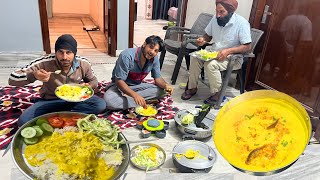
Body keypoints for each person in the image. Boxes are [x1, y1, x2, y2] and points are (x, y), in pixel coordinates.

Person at [8, 34, 106, 126]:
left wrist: (90, 86)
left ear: (75, 53)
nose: (64, 57)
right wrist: (34, 75)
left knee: (100, 104)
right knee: (23, 121)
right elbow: (12, 78)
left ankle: (58, 116)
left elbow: (94, 81)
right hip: (50, 100)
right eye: (60, 52)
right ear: (56, 52)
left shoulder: (83, 63)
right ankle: (68, 115)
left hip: (76, 101)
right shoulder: (45, 62)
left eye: (68, 52)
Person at [181, 0, 252, 104]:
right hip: (214, 52)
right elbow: (207, 36)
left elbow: (247, 46)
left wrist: (228, 51)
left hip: (233, 58)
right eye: (217, 11)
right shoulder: (215, 19)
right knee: (195, 58)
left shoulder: (242, 23)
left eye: (222, 12)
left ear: (230, 12)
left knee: (211, 65)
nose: (218, 15)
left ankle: (217, 94)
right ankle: (192, 88)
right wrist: (203, 39)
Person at [104, 35, 173, 110]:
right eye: (151, 47)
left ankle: (134, 100)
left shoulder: (154, 58)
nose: (152, 52)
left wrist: (166, 85)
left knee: (162, 91)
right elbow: (119, 81)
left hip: (137, 86)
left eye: (156, 50)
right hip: (119, 87)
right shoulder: (126, 55)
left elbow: (158, 78)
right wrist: (135, 96)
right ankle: (141, 100)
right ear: (144, 44)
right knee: (109, 102)